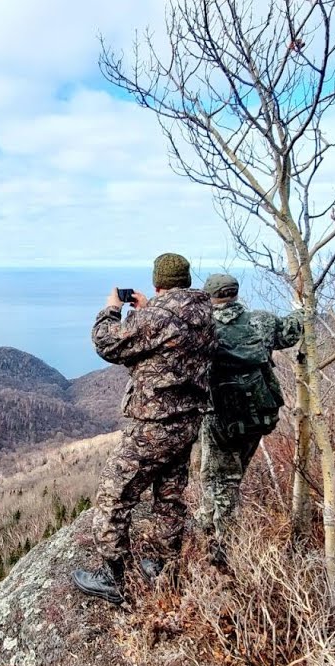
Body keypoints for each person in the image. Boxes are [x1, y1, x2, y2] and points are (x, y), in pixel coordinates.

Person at [71, 253, 215, 605]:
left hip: (155, 425)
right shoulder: (204, 312)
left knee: (114, 493)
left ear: (157, 282)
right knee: (168, 495)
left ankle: (113, 579)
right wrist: (151, 307)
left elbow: (107, 342)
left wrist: (111, 308)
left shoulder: (158, 316)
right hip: (188, 421)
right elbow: (168, 335)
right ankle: (166, 569)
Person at [196, 273, 302, 568]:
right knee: (230, 471)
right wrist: (302, 310)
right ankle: (207, 518)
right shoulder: (262, 321)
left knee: (222, 477)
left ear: (210, 297)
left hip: (221, 417)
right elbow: (291, 332)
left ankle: (224, 546)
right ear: (235, 293)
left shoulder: (204, 329)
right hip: (258, 411)